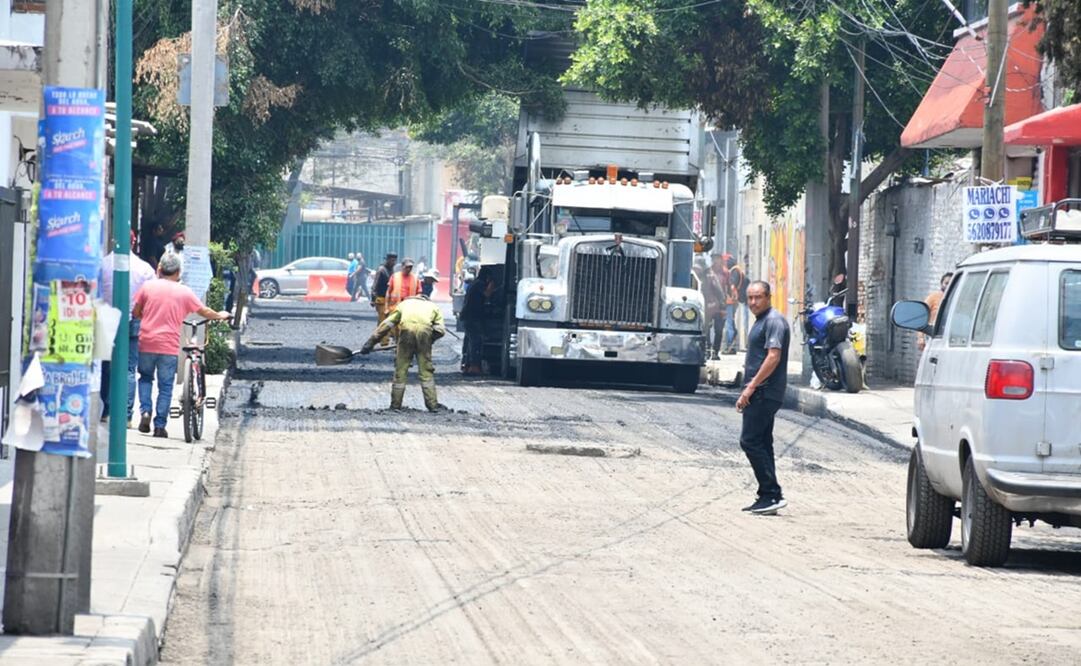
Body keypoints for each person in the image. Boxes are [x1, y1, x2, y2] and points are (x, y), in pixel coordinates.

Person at [132, 253, 230, 438]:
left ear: (159, 269)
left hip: (146, 342)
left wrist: (147, 316)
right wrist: (220, 315)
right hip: (168, 346)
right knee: (166, 386)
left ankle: (145, 411)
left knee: (145, 378)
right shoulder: (184, 291)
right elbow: (203, 311)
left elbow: (136, 311)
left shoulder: (148, 287)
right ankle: (160, 426)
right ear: (178, 272)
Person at [735, 280, 790, 516]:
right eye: (750, 298)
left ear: (768, 297)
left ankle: (770, 492)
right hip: (762, 391)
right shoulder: (761, 321)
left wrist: (750, 388)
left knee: (750, 441)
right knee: (763, 442)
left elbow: (773, 357)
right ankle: (770, 497)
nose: (753, 302)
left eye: (758, 297)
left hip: (764, 392)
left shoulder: (774, 321)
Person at [100, 231, 156, 425]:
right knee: (129, 368)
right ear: (133, 243)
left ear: (114, 241)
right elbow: (151, 298)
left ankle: (106, 411)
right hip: (133, 320)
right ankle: (125, 414)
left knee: (106, 366)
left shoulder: (102, 265)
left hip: (106, 319)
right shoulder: (144, 269)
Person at [360, 293, 446, 411]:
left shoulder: (403, 305)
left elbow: (386, 325)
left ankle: (395, 405)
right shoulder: (433, 307)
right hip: (425, 334)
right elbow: (440, 330)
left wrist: (369, 344)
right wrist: (429, 339)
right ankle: (432, 405)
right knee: (426, 371)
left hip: (406, 333)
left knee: (401, 369)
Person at [459, 272, 494, 375]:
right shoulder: (479, 284)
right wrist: (492, 284)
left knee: (470, 341)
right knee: (475, 341)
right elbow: (487, 294)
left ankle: (468, 365)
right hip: (471, 317)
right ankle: (474, 366)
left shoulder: (474, 283)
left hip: (468, 316)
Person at [918, 272, 953, 351]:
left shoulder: (958, 299)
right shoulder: (933, 297)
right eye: (946, 283)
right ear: (941, 284)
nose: (948, 286)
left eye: (951, 283)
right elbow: (921, 316)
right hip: (934, 338)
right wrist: (921, 337)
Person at [370, 252, 398, 345]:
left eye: (394, 260)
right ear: (387, 259)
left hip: (389, 300)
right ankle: (384, 342)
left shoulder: (391, 270)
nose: (393, 262)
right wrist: (373, 298)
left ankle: (380, 338)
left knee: (389, 320)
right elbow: (375, 285)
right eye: (391, 260)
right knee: (383, 321)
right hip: (381, 299)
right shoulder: (382, 270)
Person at [725, 255, 747, 354]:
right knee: (731, 322)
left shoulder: (734, 270)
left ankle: (730, 346)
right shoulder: (737, 270)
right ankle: (732, 345)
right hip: (733, 301)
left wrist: (731, 297)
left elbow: (733, 286)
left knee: (729, 323)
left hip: (730, 301)